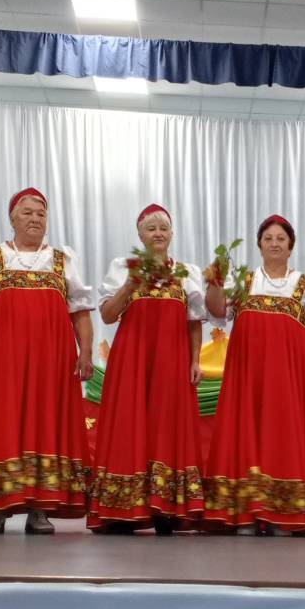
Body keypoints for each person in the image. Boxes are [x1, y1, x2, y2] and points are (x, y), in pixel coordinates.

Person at [204, 214, 305, 535]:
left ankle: (283, 513)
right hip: (248, 376)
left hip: (290, 378)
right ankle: (246, 513)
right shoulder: (245, 282)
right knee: (246, 432)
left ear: (290, 246)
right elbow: (217, 311)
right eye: (268, 238)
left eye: (281, 238)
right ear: (260, 246)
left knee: (284, 435)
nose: (275, 243)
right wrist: (215, 283)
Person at [0, 187, 94, 533]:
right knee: (0, 420)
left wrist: (85, 352)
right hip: (0, 356)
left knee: (46, 420)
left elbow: (80, 310)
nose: (35, 218)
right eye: (27, 212)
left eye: (41, 213)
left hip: (50, 358)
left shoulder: (62, 259)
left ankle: (40, 505)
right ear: (12, 219)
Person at [88, 204, 205, 535]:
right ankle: (122, 508)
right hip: (133, 360)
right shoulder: (123, 268)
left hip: (173, 359)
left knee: (167, 425)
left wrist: (195, 359)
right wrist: (129, 285)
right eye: (151, 228)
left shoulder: (186, 273)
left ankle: (165, 508)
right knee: (130, 423)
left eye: (163, 228)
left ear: (172, 234)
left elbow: (194, 322)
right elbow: (108, 315)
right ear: (140, 235)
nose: (158, 233)